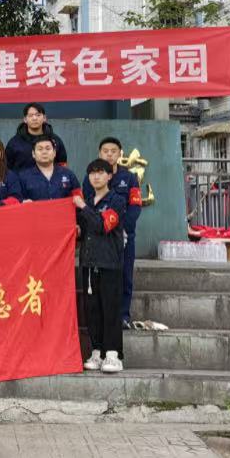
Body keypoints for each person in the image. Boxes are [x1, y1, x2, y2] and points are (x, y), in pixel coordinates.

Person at [82, 137, 143, 328]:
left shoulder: (129, 178)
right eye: (105, 151)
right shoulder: (91, 178)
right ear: (99, 153)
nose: (109, 154)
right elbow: (88, 207)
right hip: (99, 238)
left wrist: (123, 229)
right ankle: (103, 319)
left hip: (123, 236)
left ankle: (123, 315)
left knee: (125, 275)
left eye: (113, 151)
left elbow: (135, 206)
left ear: (120, 153)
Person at [78, 159, 127, 374]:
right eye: (92, 173)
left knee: (110, 309)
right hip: (89, 262)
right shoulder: (89, 201)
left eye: (100, 173)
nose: (96, 177)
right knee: (92, 310)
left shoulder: (116, 201)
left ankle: (113, 354)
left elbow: (102, 225)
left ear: (109, 176)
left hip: (109, 263)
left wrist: (82, 207)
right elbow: (84, 230)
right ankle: (97, 351)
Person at [18, 136, 83, 204]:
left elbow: (79, 199)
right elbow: (18, 201)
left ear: (54, 153)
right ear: (33, 154)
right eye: (40, 149)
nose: (44, 152)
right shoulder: (23, 178)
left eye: (48, 148)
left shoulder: (68, 174)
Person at [6, 103, 68, 172]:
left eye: (38, 115)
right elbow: (7, 168)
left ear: (44, 118)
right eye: (30, 115)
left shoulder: (55, 140)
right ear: (25, 119)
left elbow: (62, 165)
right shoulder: (14, 143)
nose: (34, 118)